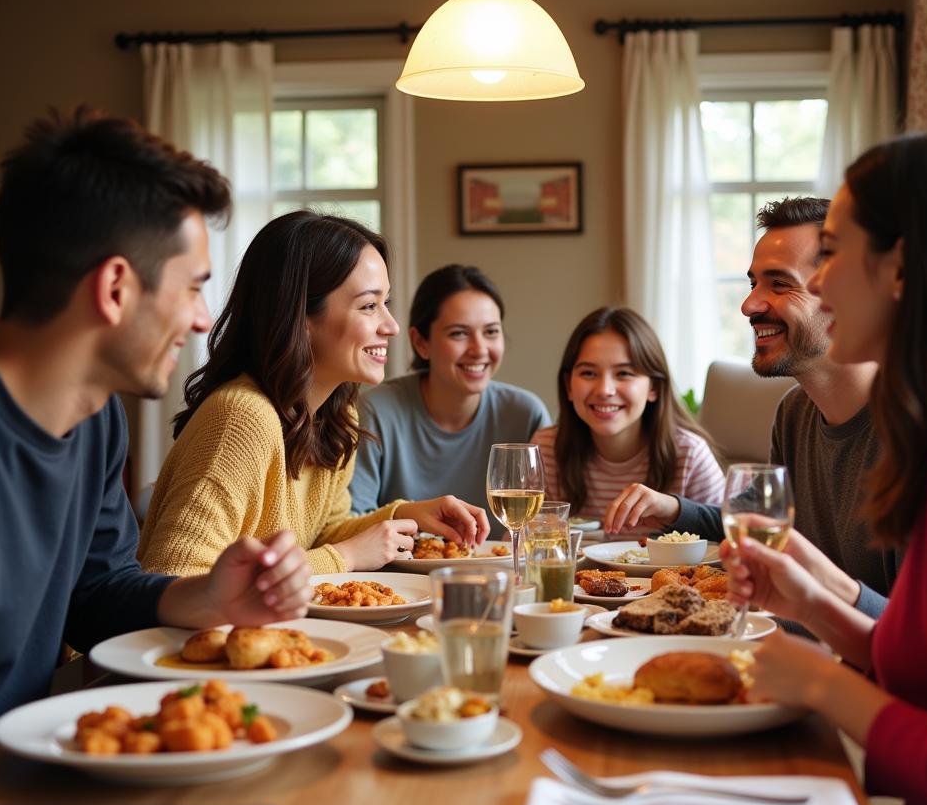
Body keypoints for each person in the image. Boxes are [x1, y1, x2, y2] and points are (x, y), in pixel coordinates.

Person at [0, 108, 311, 750]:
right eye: (193, 287)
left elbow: (99, 593)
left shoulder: (98, 417)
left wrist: (210, 596)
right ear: (115, 289)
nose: (201, 319)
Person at [723, 132, 927, 805]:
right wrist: (813, 604)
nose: (823, 281)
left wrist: (818, 682)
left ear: (903, 270)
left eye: (836, 252)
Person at [139, 214, 490, 577]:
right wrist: (345, 557)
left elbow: (321, 534)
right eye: (369, 305)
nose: (392, 325)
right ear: (302, 315)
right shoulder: (242, 418)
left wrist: (403, 515)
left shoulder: (334, 416)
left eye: (386, 303)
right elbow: (173, 576)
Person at [604, 197, 896, 618]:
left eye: (779, 284)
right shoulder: (795, 413)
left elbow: (925, 648)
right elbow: (749, 525)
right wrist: (674, 509)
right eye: (753, 283)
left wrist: (829, 587)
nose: (749, 305)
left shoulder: (916, 433)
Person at [349, 264, 550, 530]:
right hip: (399, 571)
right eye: (459, 334)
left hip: (501, 569)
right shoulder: (375, 411)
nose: (479, 350)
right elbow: (351, 522)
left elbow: (547, 521)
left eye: (491, 331)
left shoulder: (526, 413)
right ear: (421, 343)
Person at [531, 307, 723, 526]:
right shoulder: (546, 449)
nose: (605, 390)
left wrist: (673, 508)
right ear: (568, 386)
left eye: (624, 374)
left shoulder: (690, 455)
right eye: (588, 373)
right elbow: (520, 544)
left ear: (654, 388)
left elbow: (729, 534)